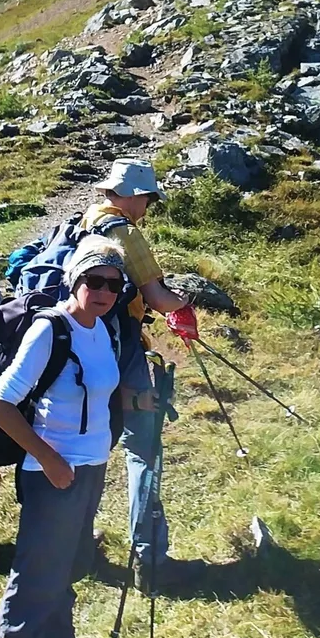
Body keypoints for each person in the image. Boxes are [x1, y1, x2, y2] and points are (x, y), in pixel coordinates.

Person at [0, 240, 127, 638]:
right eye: (94, 280)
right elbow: (0, 406)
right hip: (53, 472)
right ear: (75, 279)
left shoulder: (102, 327)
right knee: (36, 575)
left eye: (114, 285)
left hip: (90, 467)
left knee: (64, 567)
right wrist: (49, 460)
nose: (103, 291)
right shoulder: (51, 329)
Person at [85, 159, 200, 581]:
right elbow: (157, 296)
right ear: (133, 194)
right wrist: (184, 303)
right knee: (143, 447)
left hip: (79, 340)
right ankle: (149, 558)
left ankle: (78, 547)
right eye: (149, 198)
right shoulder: (125, 232)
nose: (148, 206)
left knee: (84, 444)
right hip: (123, 347)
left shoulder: (83, 223)